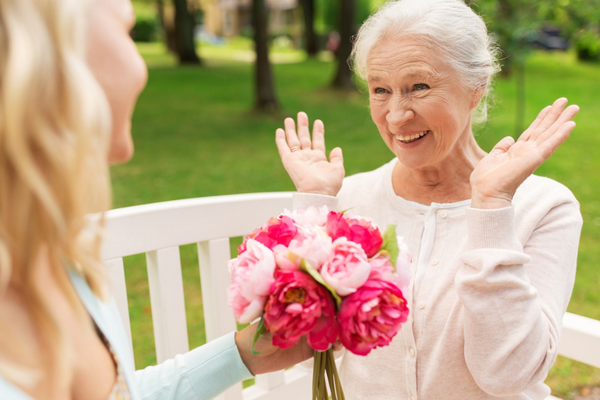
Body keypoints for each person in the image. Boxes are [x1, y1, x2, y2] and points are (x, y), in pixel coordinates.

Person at [0, 0, 312, 399]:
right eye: (128, 32)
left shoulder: (59, 256)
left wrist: (245, 355)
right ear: (48, 55)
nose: (141, 70)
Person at [275, 0, 582, 399]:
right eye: (380, 90)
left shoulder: (544, 206)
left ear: (477, 87)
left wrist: (491, 206)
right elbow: (308, 347)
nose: (397, 115)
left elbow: (507, 375)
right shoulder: (349, 199)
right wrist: (315, 209)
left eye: (419, 86)